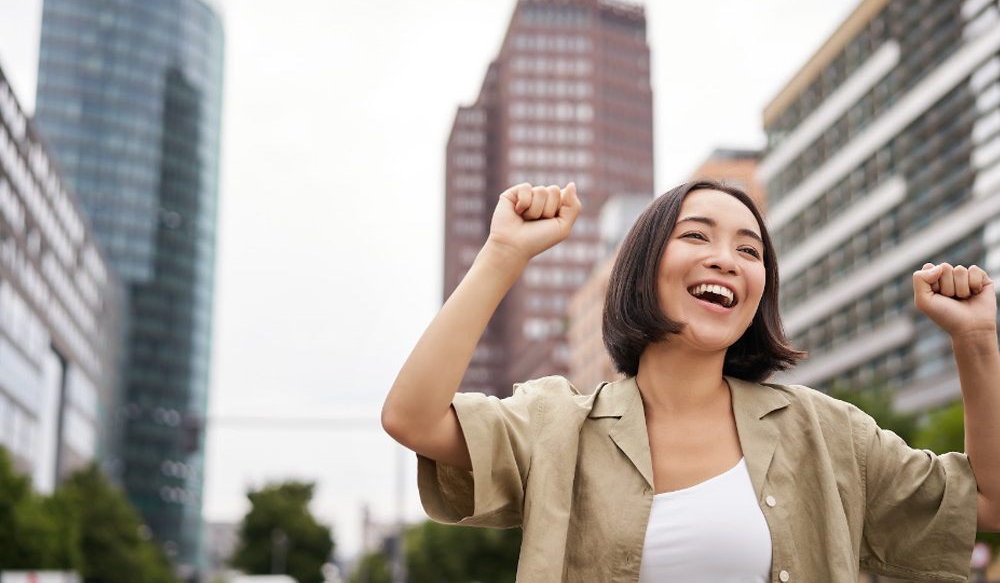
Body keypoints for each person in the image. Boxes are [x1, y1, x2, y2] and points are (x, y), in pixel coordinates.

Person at [382, 180, 1000, 582]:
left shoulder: (828, 432)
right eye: (696, 235)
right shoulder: (556, 426)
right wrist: (503, 253)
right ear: (643, 269)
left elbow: (987, 504)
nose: (726, 258)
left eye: (749, 251)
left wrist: (975, 342)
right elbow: (412, 418)